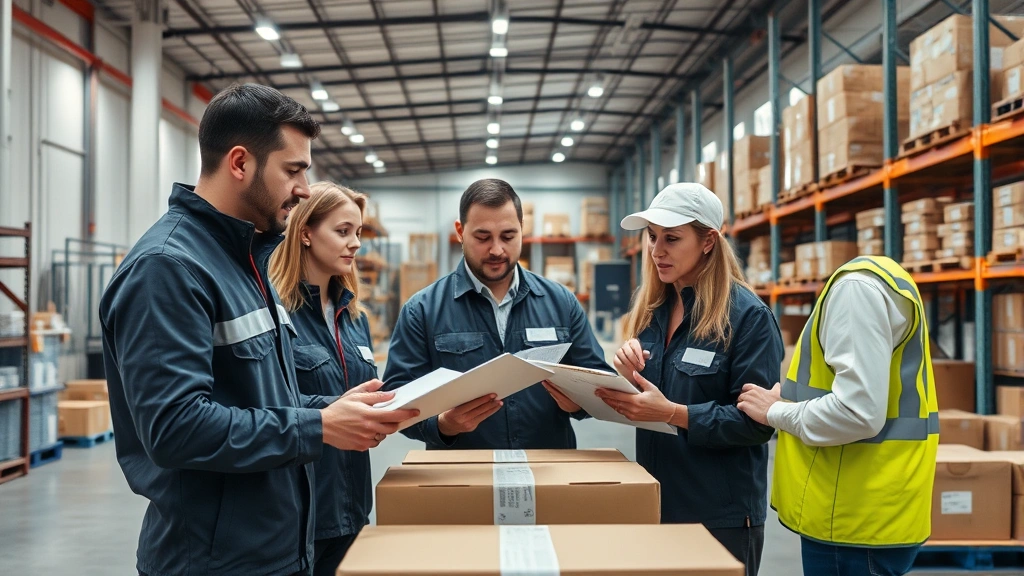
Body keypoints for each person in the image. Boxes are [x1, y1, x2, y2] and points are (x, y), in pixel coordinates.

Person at [99, 84, 416, 576]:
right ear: (240, 163)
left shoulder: (246, 262)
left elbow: (263, 396)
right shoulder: (168, 268)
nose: (305, 189)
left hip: (279, 549)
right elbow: (175, 428)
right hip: (214, 561)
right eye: (293, 170)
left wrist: (335, 408)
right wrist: (319, 426)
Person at [596, 183, 783, 576]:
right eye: (651, 237)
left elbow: (755, 425)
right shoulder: (653, 311)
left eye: (672, 238)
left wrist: (674, 413)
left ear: (708, 242)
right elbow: (648, 397)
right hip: (658, 502)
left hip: (720, 515)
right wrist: (625, 374)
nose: (656, 250)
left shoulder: (748, 318)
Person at [737, 256, 939, 576]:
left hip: (851, 517)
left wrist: (775, 412)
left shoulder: (854, 291)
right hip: (872, 507)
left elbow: (857, 413)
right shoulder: (885, 278)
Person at [383, 178, 610, 449]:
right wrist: (443, 425)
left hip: (547, 470)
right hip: (462, 476)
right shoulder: (422, 310)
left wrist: (579, 403)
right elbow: (396, 398)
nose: (496, 250)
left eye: (508, 236)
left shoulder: (561, 302)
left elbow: (598, 383)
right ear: (460, 231)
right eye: (482, 237)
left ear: (522, 231)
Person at [268, 182, 380, 576]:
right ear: (306, 233)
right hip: (302, 513)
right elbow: (269, 404)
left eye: (359, 233)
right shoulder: (276, 314)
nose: (355, 244)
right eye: (343, 231)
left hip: (353, 508)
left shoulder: (355, 318)